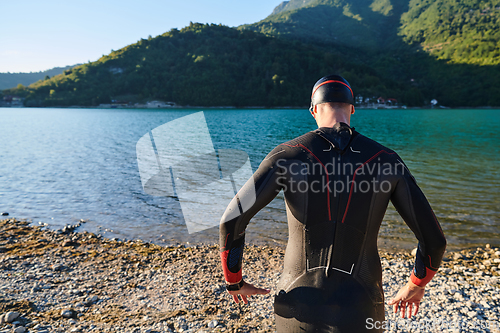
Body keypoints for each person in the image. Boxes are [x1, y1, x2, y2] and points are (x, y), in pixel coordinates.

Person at [219, 74, 447, 332]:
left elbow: (232, 220)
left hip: (296, 304)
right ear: (352, 109)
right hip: (363, 306)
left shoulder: (287, 155)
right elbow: (434, 240)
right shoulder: (387, 160)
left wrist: (234, 281)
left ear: (314, 110)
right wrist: (416, 285)